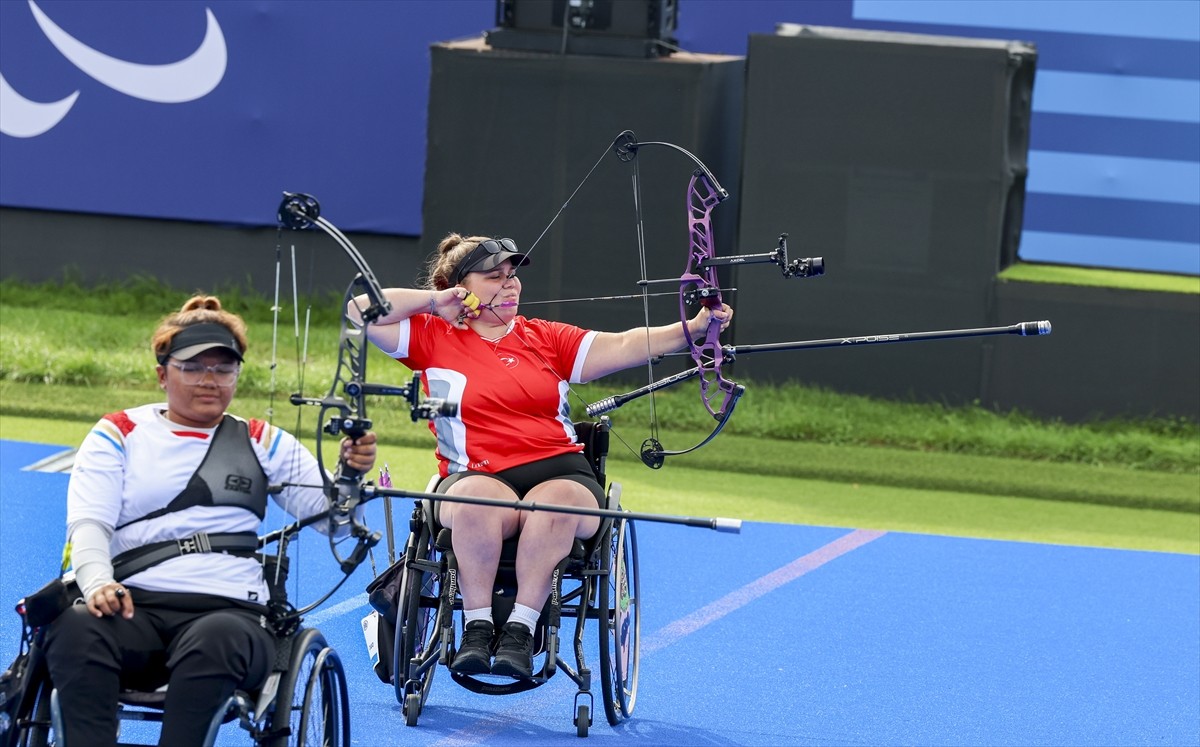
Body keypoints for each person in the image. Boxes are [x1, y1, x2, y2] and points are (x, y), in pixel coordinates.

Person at [350, 234, 732, 679]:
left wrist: (695, 328)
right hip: (476, 476)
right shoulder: (430, 338)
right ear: (459, 284)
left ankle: (521, 630)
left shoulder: (544, 337)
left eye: (512, 276)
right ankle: (476, 628)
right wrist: (437, 302)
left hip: (561, 474)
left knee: (556, 505)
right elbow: (358, 311)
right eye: (494, 276)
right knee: (476, 502)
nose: (509, 285)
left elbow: (627, 344)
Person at [42, 295, 378, 747]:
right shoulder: (118, 432)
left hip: (228, 612)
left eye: (224, 369)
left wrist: (351, 475)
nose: (209, 380)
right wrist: (97, 581)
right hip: (129, 605)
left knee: (216, 638)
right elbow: (88, 523)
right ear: (162, 374)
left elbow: (336, 522)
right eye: (194, 367)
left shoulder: (262, 440)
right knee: (75, 628)